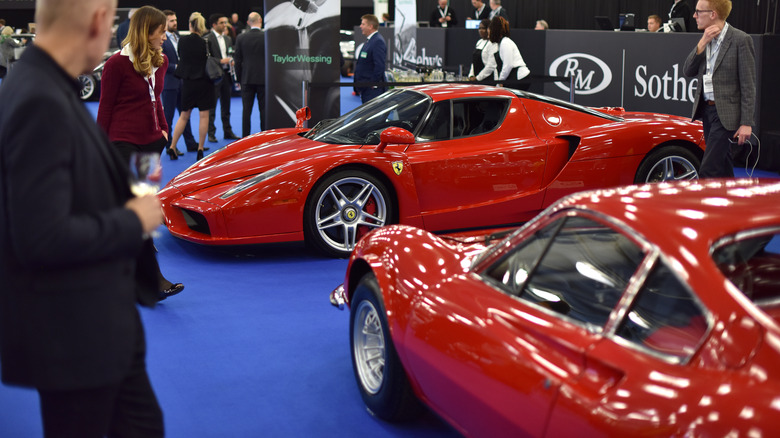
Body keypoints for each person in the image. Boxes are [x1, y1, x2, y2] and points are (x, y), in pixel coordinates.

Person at [0, 0, 166, 436]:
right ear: (97, 22)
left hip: (96, 326)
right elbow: (41, 237)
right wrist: (133, 220)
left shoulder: (43, 85)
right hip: (76, 335)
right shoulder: (40, 99)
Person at [96, 5, 185, 300]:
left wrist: (163, 129)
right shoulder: (117, 65)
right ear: (146, 32)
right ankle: (152, 280)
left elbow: (156, 99)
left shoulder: (161, 60)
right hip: (121, 141)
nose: (165, 36)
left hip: (150, 142)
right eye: (161, 32)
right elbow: (106, 107)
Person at [683, 0, 755, 178]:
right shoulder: (705, 39)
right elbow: (688, 70)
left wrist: (746, 123)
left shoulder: (740, 40)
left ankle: (703, 204)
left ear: (713, 14)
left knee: (709, 168)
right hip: (706, 109)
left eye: (698, 11)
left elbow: (748, 85)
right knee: (723, 164)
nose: (694, 16)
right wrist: (702, 43)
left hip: (727, 115)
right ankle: (731, 202)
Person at [169, 12, 216, 161]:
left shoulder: (182, 41)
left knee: (183, 116)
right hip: (204, 83)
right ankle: (200, 149)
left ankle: (172, 146)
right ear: (202, 26)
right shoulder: (206, 42)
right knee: (204, 116)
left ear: (190, 25)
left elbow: (180, 57)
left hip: (188, 83)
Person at [161, 9, 200, 157]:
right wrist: (177, 67)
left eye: (175, 20)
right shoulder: (162, 39)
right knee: (168, 118)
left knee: (185, 115)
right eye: (171, 20)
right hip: (169, 84)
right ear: (164, 23)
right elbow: (159, 62)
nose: (175, 23)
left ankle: (190, 143)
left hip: (183, 83)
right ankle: (170, 146)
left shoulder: (178, 36)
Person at [206, 13, 239, 143]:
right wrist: (221, 60)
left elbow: (231, 53)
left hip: (226, 75)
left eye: (225, 22)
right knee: (212, 106)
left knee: (226, 105)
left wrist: (231, 60)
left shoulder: (228, 39)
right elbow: (207, 58)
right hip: (214, 76)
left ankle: (227, 131)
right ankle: (211, 133)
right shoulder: (208, 39)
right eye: (222, 23)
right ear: (214, 25)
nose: (225, 25)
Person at [234, 12, 266, 137]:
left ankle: (245, 137)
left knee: (246, 111)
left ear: (248, 23)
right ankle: (265, 138)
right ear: (260, 21)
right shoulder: (266, 37)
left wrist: (239, 79)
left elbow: (237, 60)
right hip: (263, 79)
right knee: (263, 110)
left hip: (246, 79)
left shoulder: (241, 38)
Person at [485, 16, 530, 88]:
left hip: (520, 78)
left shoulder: (505, 43)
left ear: (494, 31)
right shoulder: (500, 44)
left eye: (489, 33)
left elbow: (508, 65)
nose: (488, 36)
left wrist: (500, 81)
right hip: (514, 78)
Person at [354, 14, 386, 104]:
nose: (360, 26)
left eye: (363, 24)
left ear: (370, 26)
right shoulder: (370, 40)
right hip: (366, 88)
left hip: (372, 90)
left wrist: (371, 84)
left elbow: (379, 66)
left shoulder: (377, 41)